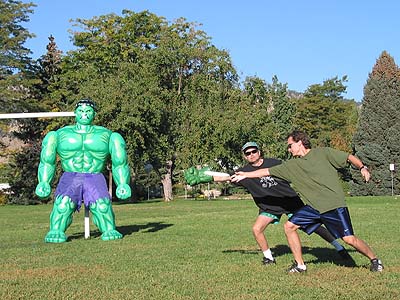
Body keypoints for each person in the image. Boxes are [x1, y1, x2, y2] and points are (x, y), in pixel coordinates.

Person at [231, 130, 383, 273]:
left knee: (349, 239)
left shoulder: (323, 153)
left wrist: (362, 167)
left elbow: (348, 157)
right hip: (313, 208)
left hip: (333, 206)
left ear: (299, 142)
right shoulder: (292, 165)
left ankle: (375, 260)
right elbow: (266, 172)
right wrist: (245, 174)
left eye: (290, 146)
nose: (289, 150)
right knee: (289, 226)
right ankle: (300, 265)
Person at [184, 141, 351, 265]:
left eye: (253, 151)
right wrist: (203, 177)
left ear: (259, 151)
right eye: (247, 153)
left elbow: (295, 169)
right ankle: (268, 257)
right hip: (269, 207)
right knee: (257, 229)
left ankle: (338, 247)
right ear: (244, 155)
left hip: (290, 202)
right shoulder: (244, 172)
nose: (251, 155)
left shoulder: (275, 163)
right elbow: (226, 176)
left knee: (315, 227)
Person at [35, 99, 131, 243]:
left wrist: (123, 183)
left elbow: (120, 162)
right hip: (71, 175)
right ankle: (56, 230)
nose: (84, 114)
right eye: (81, 111)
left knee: (102, 206)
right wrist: (43, 182)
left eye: (88, 111)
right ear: (75, 113)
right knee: (63, 205)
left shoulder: (107, 135)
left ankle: (109, 229)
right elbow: (47, 161)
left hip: (94, 175)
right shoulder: (59, 135)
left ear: (94, 114)